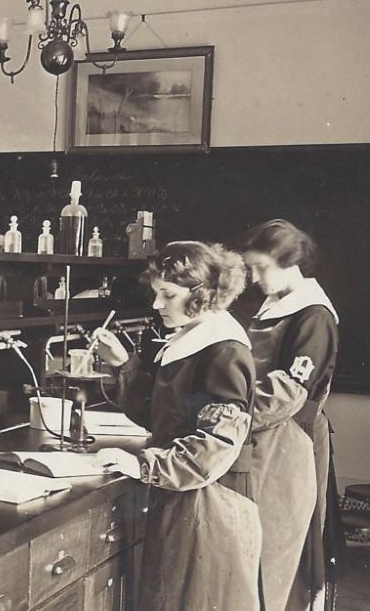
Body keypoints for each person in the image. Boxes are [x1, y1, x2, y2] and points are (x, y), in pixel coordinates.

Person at [91, 241, 262, 610]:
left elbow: (215, 447)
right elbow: (159, 414)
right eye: (156, 294)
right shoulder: (192, 338)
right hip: (184, 492)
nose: (157, 305)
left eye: (167, 295)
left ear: (201, 294)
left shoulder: (225, 351)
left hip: (211, 501)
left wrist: (140, 464)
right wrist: (124, 364)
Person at [242, 219, 340, 611]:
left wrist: (229, 416)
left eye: (260, 268)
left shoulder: (313, 316)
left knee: (284, 547)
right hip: (264, 435)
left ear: (289, 261)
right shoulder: (275, 304)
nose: (253, 277)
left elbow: (287, 394)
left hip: (290, 439)